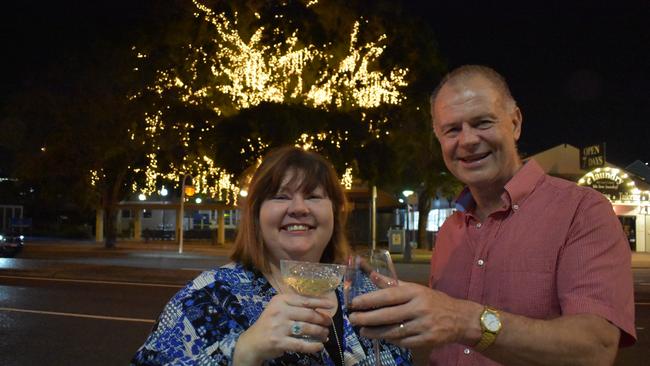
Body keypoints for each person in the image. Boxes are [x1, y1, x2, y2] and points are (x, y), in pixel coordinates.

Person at [349, 65, 636, 366]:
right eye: (452, 130)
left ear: (515, 123)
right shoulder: (451, 229)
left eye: (482, 123)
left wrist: (463, 320)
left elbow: (595, 348)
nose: (468, 140)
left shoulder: (582, 210)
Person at [131, 146, 412, 365]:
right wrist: (243, 352)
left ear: (335, 213)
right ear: (256, 215)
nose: (299, 208)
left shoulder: (363, 292)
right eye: (280, 196)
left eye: (314, 196)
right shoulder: (208, 296)